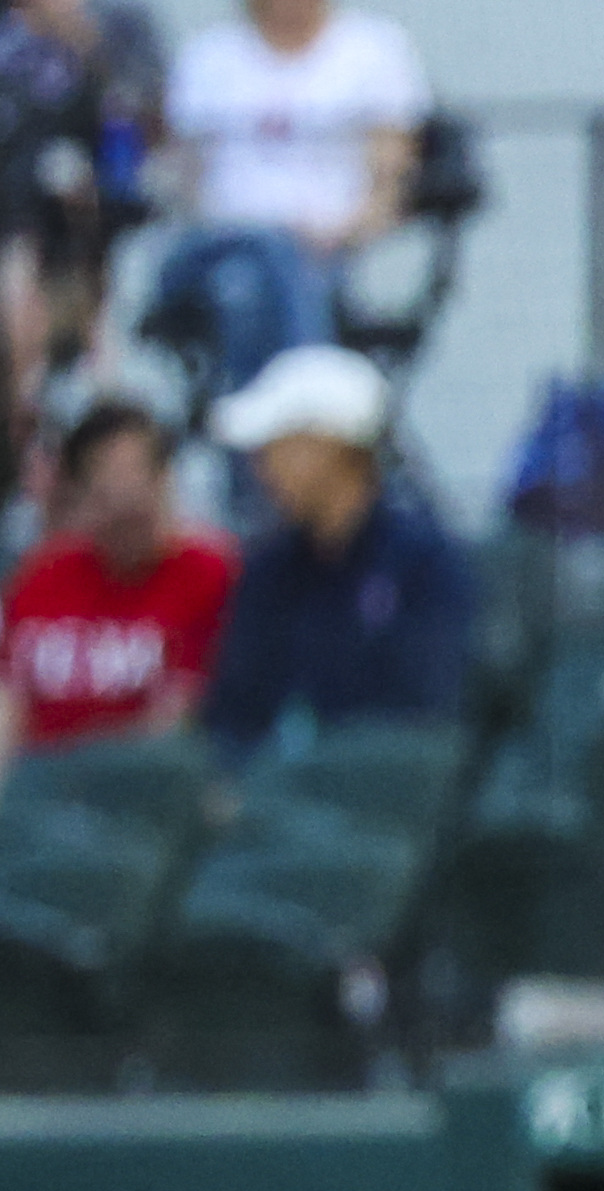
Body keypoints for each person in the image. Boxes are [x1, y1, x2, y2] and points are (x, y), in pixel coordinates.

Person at [192, 342, 465, 754]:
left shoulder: (425, 567)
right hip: (270, 806)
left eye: (277, 446)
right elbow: (234, 712)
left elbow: (427, 716)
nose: (261, 467)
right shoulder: (269, 572)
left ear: (330, 447)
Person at [150, 0, 421, 398]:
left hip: (327, 254)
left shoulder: (373, 51)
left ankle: (259, 447)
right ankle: (309, 415)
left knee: (246, 294)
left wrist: (338, 235)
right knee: (265, 257)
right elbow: (184, 185)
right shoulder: (208, 56)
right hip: (221, 246)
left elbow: (389, 186)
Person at [1, 399, 232, 763]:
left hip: (145, 793)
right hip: (38, 795)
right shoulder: (40, 576)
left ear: (164, 479)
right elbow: (9, 704)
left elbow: (178, 721)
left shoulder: (210, 572)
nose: (127, 498)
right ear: (80, 493)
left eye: (138, 476)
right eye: (108, 483)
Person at [0, 0, 167, 450]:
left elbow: (151, 123)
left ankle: (80, 420)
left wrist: (81, 37)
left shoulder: (119, 19)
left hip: (95, 216)